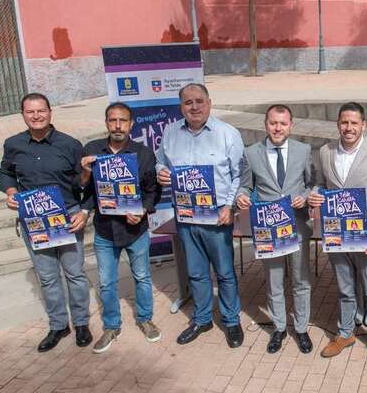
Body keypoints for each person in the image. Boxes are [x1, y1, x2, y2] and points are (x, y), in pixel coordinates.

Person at [0, 93, 92, 352]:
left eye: (41, 111)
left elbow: (85, 182)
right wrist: (10, 192)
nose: (36, 116)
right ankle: (59, 325)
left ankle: (82, 323)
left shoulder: (70, 144)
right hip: (35, 219)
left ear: (50, 112)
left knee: (75, 273)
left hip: (67, 216)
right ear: (23, 115)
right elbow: (5, 173)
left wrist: (83, 212)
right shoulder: (13, 144)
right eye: (30, 112)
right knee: (48, 277)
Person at [156, 83, 245, 348]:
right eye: (188, 103)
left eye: (199, 101)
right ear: (180, 106)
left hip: (218, 217)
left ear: (209, 102)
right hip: (185, 216)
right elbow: (161, 161)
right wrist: (160, 171)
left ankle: (231, 321)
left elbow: (239, 175)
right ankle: (202, 318)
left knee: (225, 272)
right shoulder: (171, 132)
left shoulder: (228, 134)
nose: (194, 107)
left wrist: (229, 207)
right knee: (196, 273)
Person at [308, 102, 367, 362]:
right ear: (338, 124)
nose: (349, 127)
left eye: (354, 123)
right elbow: (320, 185)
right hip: (337, 235)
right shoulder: (325, 152)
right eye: (344, 122)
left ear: (363, 125)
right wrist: (315, 195)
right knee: (345, 288)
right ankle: (346, 332)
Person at [79, 102, 163, 353]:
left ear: (131, 124)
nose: (117, 126)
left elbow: (153, 191)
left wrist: (143, 209)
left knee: (142, 277)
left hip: (135, 230)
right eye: (113, 120)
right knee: (106, 282)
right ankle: (112, 326)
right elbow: (85, 190)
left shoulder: (144, 154)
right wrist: (84, 174)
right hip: (105, 230)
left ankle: (145, 319)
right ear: (106, 123)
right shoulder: (92, 150)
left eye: (123, 121)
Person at [236, 104, 315, 354]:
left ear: (291, 125)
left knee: (301, 280)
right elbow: (245, 186)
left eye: (283, 123)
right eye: (273, 123)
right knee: (274, 280)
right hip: (268, 228)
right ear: (265, 124)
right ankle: (280, 328)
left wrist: (305, 195)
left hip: (297, 224)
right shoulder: (251, 153)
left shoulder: (304, 150)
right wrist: (241, 196)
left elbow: (313, 184)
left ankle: (301, 328)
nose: (278, 128)